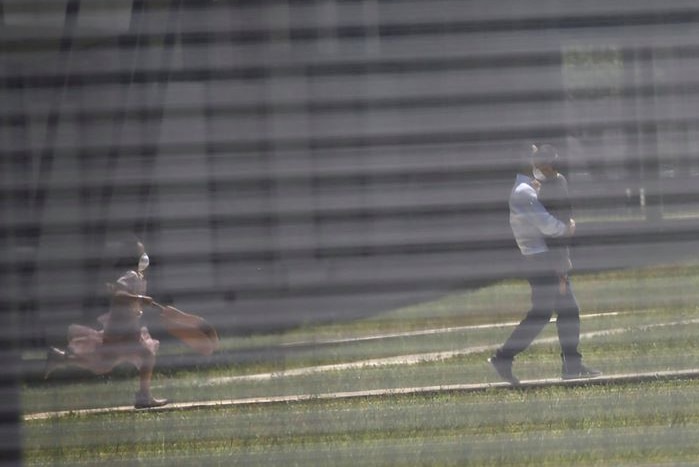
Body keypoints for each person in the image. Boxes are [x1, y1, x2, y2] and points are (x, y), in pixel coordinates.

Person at [488, 143, 601, 384]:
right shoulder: (523, 192)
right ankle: (503, 357)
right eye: (534, 152)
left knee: (567, 310)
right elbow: (547, 225)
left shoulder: (530, 188)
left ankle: (572, 364)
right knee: (542, 314)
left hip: (544, 257)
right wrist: (567, 228)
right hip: (540, 260)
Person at [44, 237, 168, 409]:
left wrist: (142, 303)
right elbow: (119, 296)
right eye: (141, 253)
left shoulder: (137, 276)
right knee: (146, 356)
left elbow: (120, 294)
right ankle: (143, 396)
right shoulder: (130, 275)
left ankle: (61, 358)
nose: (144, 256)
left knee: (104, 364)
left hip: (127, 327)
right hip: (121, 329)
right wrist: (139, 298)